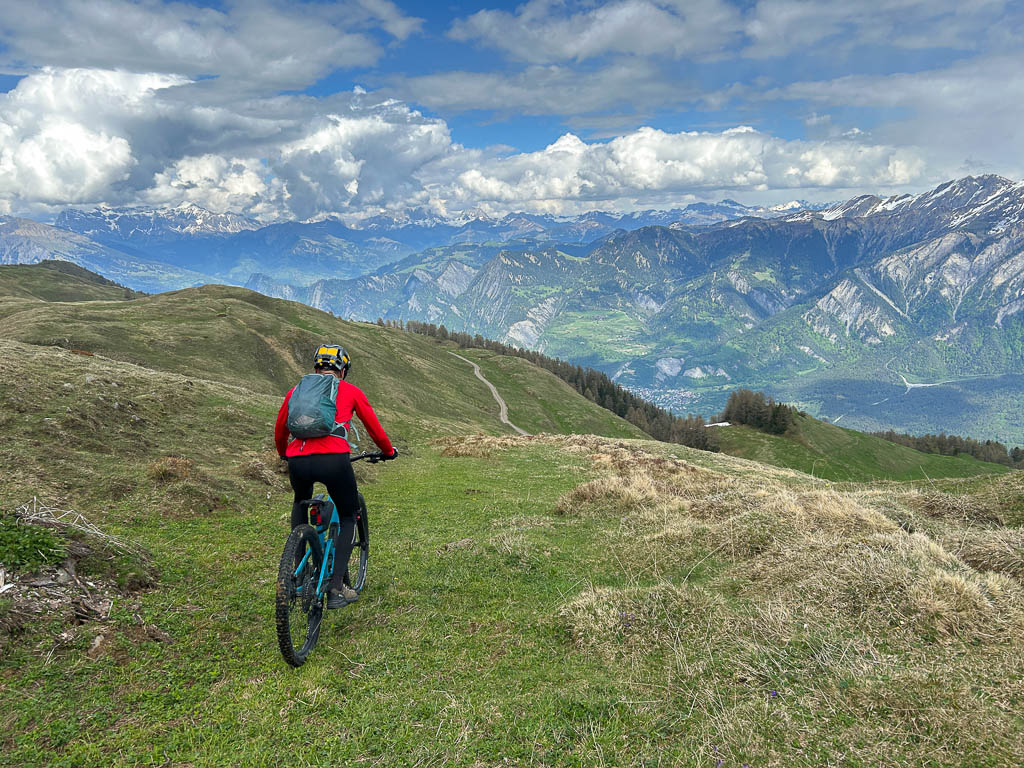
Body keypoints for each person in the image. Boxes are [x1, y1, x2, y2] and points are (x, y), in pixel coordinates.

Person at [275, 344, 397, 609]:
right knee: (348, 515)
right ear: (343, 371)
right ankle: (335, 587)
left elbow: (281, 428)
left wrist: (285, 454)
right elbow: (374, 428)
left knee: (300, 502)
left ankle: (297, 572)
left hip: (298, 460)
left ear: (315, 368)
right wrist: (388, 451)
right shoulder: (350, 391)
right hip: (334, 460)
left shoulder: (296, 391)